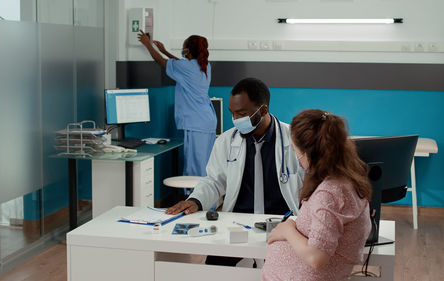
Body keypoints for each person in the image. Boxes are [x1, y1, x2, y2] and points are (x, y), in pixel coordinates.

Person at [166, 77, 305, 266]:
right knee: (215, 268)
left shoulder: (295, 139)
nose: (235, 120)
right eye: (232, 114)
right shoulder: (225, 141)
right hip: (237, 223)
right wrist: (195, 200)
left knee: (289, 268)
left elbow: (311, 184)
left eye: (241, 114)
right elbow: (214, 181)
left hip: (282, 223)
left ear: (263, 110)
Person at [262, 109, 372, 281]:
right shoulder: (343, 181)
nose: (296, 156)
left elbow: (316, 257)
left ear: (306, 154)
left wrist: (287, 230)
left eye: (295, 149)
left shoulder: (330, 192)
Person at [138, 31, 216, 177]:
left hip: (196, 123)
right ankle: (207, 199)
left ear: (187, 50)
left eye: (183, 47)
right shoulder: (205, 66)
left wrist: (147, 43)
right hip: (206, 121)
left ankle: (196, 199)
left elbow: (160, 61)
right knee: (205, 165)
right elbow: (178, 65)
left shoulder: (187, 67)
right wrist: (164, 51)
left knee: (195, 169)